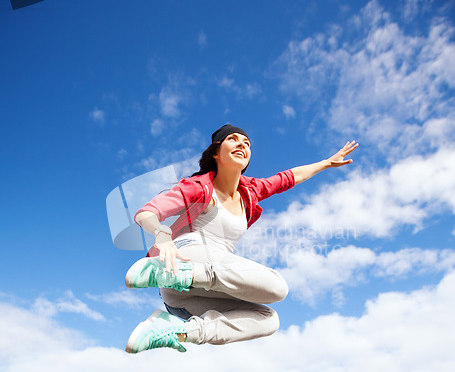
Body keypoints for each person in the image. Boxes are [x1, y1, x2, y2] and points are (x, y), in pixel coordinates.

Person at [124, 124, 358, 353]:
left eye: (246, 143)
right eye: (233, 139)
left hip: (183, 298)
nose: (242, 145)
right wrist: (162, 235)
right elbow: (147, 212)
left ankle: (173, 331)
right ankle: (172, 273)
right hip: (185, 257)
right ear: (216, 151)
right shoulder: (198, 187)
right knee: (277, 287)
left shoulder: (251, 191)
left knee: (268, 319)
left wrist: (327, 163)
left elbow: (288, 178)